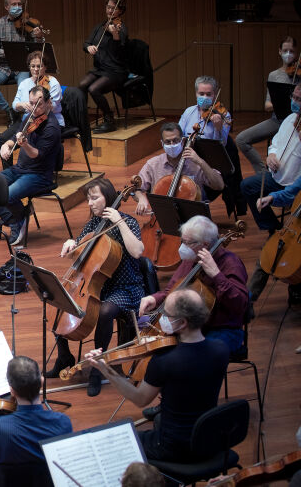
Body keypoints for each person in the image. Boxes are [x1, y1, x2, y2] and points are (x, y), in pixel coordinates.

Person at [87, 289, 229, 462]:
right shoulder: (221, 349)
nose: (161, 319)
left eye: (166, 314)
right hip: (207, 441)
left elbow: (140, 399)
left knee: (114, 444)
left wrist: (105, 370)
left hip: (173, 447)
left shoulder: (165, 361)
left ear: (182, 322)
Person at [47, 178, 144, 397]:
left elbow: (137, 251)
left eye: (94, 198)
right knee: (57, 298)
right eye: (88, 199)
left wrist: (119, 221)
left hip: (125, 288)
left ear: (108, 198)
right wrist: (71, 243)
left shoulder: (128, 222)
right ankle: (64, 356)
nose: (90, 203)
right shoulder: (93, 224)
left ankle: (97, 371)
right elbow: (81, 251)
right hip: (95, 286)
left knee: (105, 311)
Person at [139, 215, 248, 354]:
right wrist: (154, 299)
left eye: (187, 242)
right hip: (189, 325)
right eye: (182, 241)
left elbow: (240, 304)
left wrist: (216, 275)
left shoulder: (231, 263)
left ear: (205, 244)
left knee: (191, 356)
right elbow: (172, 290)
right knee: (145, 330)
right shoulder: (191, 258)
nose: (182, 246)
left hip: (221, 328)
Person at [242, 84, 301, 303]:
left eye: (299, 98)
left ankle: (295, 287)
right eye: (293, 97)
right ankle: (247, 300)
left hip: (293, 195)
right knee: (249, 187)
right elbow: (294, 191)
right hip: (285, 189)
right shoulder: (289, 120)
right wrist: (271, 155)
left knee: (285, 254)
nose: (295, 102)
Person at [0, 85, 61, 245]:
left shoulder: (52, 127)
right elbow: (16, 134)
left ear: (48, 103)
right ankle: (17, 218)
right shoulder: (29, 118)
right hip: (19, 170)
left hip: (39, 175)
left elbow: (37, 155)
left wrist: (24, 144)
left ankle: (17, 220)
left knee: (8, 195)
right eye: (31, 103)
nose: (34, 108)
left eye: (38, 104)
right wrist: (8, 144)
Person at [179, 75, 245, 217]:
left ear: (215, 94)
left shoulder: (223, 114)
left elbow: (222, 146)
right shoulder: (189, 112)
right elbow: (179, 135)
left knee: (198, 181)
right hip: (190, 158)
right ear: (196, 93)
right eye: (201, 94)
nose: (205, 97)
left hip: (211, 163)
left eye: (209, 94)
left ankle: (196, 207)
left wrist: (218, 128)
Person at [132, 122, 224, 216]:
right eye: (167, 142)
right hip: (162, 217)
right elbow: (136, 189)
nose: (172, 144)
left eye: (175, 140)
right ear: (162, 143)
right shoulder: (153, 164)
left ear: (183, 141)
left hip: (192, 217)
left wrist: (201, 162)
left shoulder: (195, 163)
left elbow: (219, 185)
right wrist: (141, 198)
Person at [236, 36, 298, 173]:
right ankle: (262, 173)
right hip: (277, 120)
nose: (288, 54)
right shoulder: (274, 75)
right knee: (242, 139)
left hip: (297, 124)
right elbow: (267, 105)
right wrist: (283, 102)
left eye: (292, 51)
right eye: (285, 50)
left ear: (296, 53)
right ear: (280, 51)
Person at [0, 0, 42, 124]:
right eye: (13, 4)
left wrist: (38, 37)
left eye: (19, 4)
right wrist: (9, 52)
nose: (17, 7)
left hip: (22, 66)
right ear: (7, 7)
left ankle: (24, 117)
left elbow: (37, 49)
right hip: (3, 66)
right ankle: (9, 111)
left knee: (24, 86)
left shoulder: (28, 24)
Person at [0, 50, 64, 169]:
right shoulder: (24, 83)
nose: (35, 69)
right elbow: (14, 105)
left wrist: (41, 103)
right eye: (32, 66)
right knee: (3, 138)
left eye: (39, 66)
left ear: (45, 67)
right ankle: (8, 171)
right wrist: (22, 105)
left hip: (48, 121)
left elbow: (52, 106)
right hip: (28, 121)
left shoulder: (52, 83)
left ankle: (35, 171)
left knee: (32, 139)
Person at [248, 173, 301, 304]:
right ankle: (247, 301)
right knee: (268, 254)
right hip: (295, 229)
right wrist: (271, 198)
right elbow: (291, 192)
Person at [79, 0, 127, 133]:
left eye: (114, 8)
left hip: (116, 71)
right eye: (108, 7)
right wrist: (89, 47)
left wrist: (115, 35)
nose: (110, 11)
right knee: (82, 85)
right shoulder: (100, 27)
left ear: (120, 11)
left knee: (94, 89)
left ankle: (109, 119)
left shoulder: (121, 28)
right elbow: (86, 43)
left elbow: (121, 51)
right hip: (100, 69)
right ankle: (82, 119)